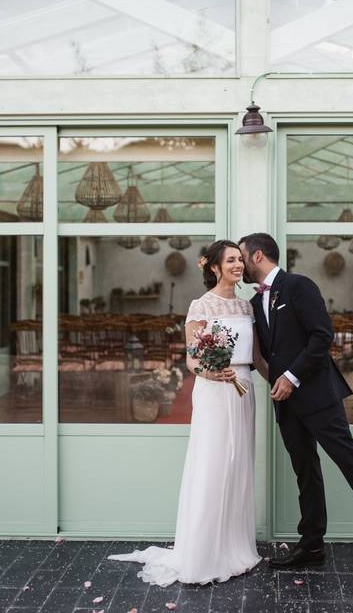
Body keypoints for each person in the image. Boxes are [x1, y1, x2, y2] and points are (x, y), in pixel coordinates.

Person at [238, 232, 353, 572]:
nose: (239, 264)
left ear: (257, 256)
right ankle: (312, 545)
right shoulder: (256, 303)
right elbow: (266, 353)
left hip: (317, 396)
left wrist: (290, 377)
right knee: (306, 473)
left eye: (241, 256)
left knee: (351, 463)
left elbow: (322, 337)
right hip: (285, 403)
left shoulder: (299, 286)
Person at [107, 240, 266, 585]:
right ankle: (204, 552)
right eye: (231, 260)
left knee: (238, 464)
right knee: (213, 464)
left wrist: (284, 382)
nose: (239, 265)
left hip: (242, 388)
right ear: (214, 268)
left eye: (240, 259)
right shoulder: (201, 306)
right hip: (213, 389)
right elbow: (192, 359)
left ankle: (234, 546)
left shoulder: (246, 306)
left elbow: (256, 357)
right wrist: (212, 371)